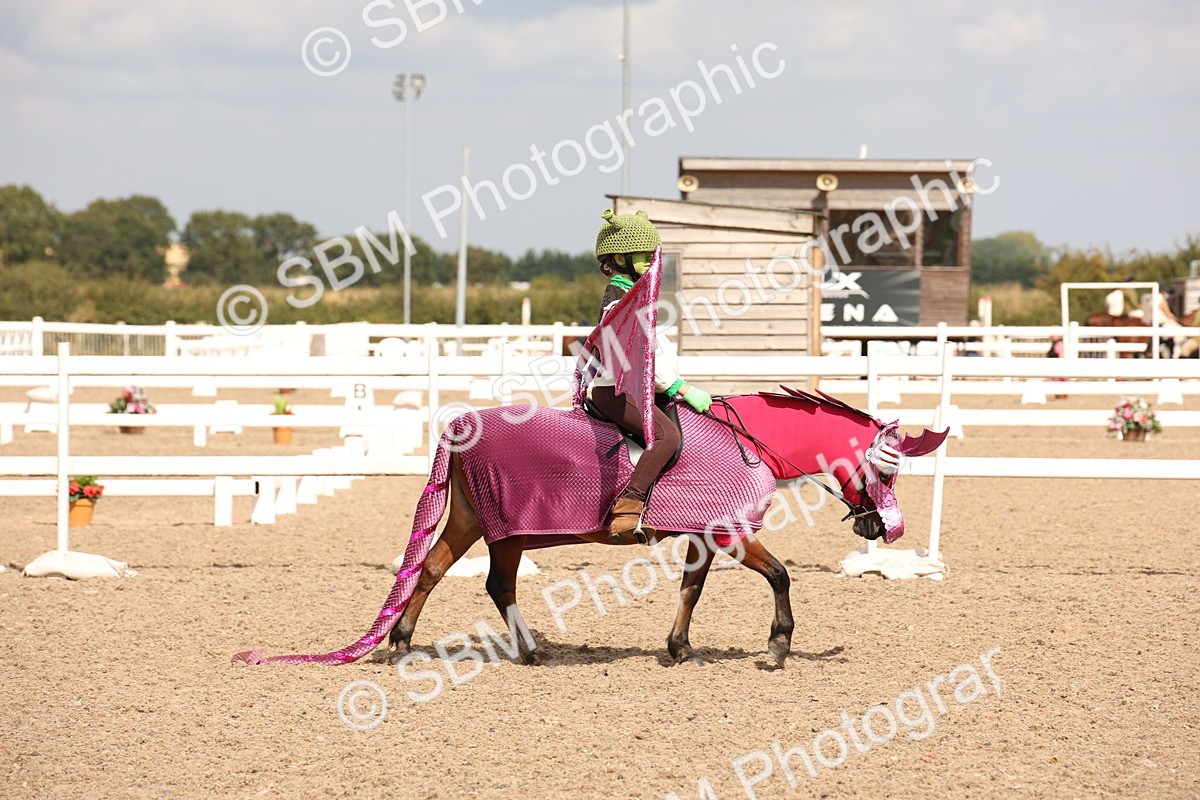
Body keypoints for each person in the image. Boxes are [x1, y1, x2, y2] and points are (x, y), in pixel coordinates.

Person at [587, 209, 712, 543]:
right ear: (619, 257)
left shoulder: (636, 293)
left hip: (638, 389)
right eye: (643, 255)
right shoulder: (619, 299)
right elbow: (634, 358)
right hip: (615, 390)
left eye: (651, 255)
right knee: (667, 436)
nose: (650, 261)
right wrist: (680, 387)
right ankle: (628, 508)